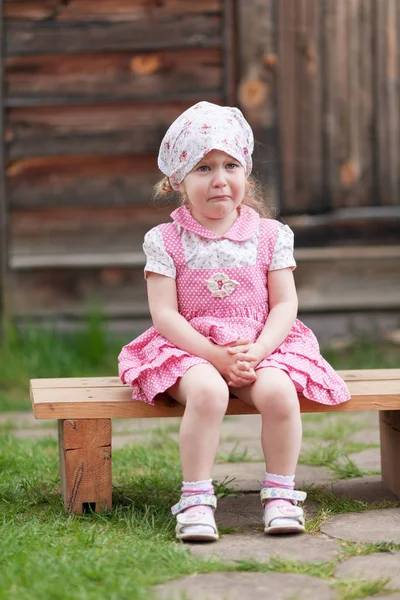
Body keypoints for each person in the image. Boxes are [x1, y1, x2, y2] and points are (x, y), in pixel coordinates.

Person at [118, 101, 350, 542]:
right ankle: (197, 499)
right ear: (178, 180)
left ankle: (281, 494)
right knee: (206, 393)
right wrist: (214, 357)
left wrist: (259, 351)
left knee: (280, 393)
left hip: (259, 344)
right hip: (192, 347)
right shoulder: (165, 240)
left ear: (246, 173)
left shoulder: (270, 235)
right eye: (203, 168)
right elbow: (164, 314)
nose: (219, 179)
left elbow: (284, 304)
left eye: (229, 165)